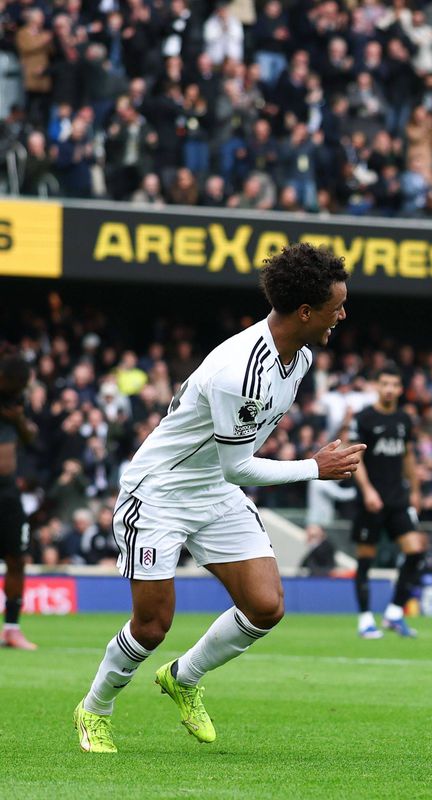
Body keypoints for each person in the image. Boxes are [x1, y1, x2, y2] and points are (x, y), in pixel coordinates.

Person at [73, 243, 365, 753]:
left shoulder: (300, 359)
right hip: (161, 492)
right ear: (304, 311)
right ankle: (94, 709)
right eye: (335, 306)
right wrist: (313, 468)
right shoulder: (239, 370)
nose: (342, 315)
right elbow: (239, 464)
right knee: (152, 624)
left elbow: (233, 459)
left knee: (265, 606)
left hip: (215, 489)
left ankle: (183, 677)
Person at [348, 363, 423, 639]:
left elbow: (407, 456)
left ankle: (393, 613)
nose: (389, 389)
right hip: (371, 501)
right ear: (377, 386)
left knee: (416, 553)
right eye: (384, 384)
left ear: (401, 389)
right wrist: (367, 490)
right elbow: (356, 457)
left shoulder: (404, 420)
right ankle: (365, 620)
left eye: (394, 385)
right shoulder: (364, 418)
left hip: (397, 500)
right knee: (365, 560)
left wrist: (415, 489)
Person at [0, 353, 37, 650]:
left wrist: (19, 418)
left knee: (17, 559)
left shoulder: (15, 404)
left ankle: (11, 629)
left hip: (9, 493)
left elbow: (30, 439)